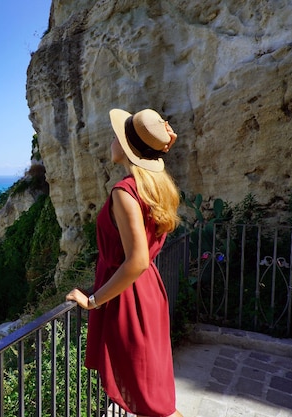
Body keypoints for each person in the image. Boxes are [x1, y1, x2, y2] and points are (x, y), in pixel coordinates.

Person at [66, 108, 183, 417]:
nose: (112, 139)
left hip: (128, 300)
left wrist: (92, 301)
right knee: (154, 398)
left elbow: (137, 261)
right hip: (146, 295)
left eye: (117, 135)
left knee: (154, 406)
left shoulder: (125, 192)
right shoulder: (156, 186)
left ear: (128, 146)